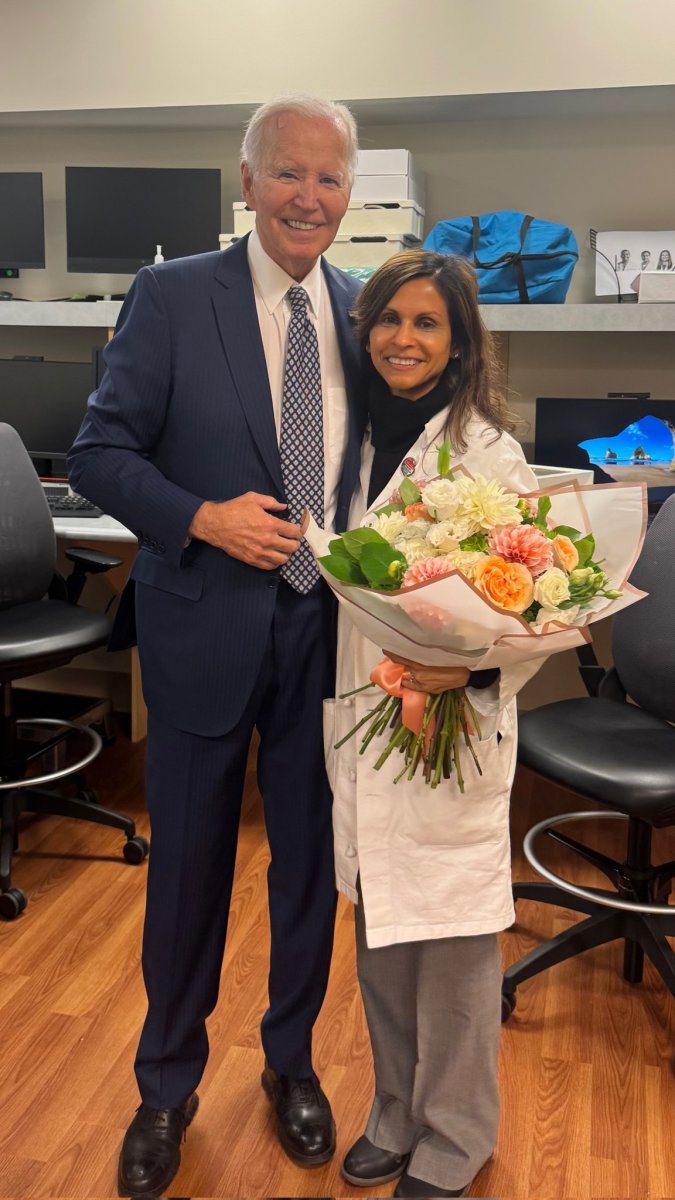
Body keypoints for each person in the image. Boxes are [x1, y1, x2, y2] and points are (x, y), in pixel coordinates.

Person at [68, 94, 366, 1199]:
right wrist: (201, 515)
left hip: (323, 634)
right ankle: (165, 1084)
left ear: (349, 194)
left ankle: (289, 1064)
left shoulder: (358, 310)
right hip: (203, 624)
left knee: (305, 869)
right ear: (247, 182)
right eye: (288, 173)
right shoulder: (172, 294)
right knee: (187, 870)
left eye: (329, 178)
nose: (308, 197)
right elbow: (98, 452)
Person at [325, 250, 541, 1198]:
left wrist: (462, 666)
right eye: (388, 319)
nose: (402, 340)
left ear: (458, 348)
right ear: (363, 329)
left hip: (449, 719)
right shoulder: (349, 439)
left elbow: (537, 606)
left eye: (426, 325)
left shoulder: (488, 456)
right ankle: (394, 1113)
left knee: (450, 943)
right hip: (369, 714)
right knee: (381, 937)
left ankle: (454, 1141)